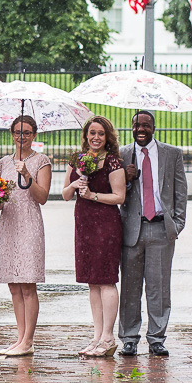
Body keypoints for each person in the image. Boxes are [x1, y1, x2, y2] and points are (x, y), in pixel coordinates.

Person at [118, 110, 188, 357]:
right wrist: (126, 179)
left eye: (146, 125)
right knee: (129, 288)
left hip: (160, 228)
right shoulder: (122, 154)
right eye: (137, 125)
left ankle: (157, 338)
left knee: (159, 288)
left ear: (154, 127)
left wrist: (177, 224)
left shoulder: (172, 154)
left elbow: (181, 191)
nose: (141, 130)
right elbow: (115, 192)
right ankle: (129, 338)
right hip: (131, 230)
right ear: (131, 127)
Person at [61, 115, 126, 358]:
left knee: (106, 279)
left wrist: (93, 195)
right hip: (84, 224)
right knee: (92, 281)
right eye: (92, 133)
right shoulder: (77, 159)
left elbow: (119, 197)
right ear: (86, 135)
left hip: (106, 224)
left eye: (100, 133)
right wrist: (76, 183)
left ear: (107, 137)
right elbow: (65, 195)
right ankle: (97, 336)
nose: (96, 137)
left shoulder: (112, 162)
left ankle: (109, 337)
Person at [0, 115, 51, 357]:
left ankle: (29, 340)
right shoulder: (3, 162)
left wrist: (27, 175)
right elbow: (0, 190)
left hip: (29, 223)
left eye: (26, 133)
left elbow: (42, 197)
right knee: (14, 285)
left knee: (28, 284)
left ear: (34, 135)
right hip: (9, 222)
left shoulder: (41, 161)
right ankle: (19, 338)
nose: (21, 137)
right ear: (11, 133)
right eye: (17, 132)